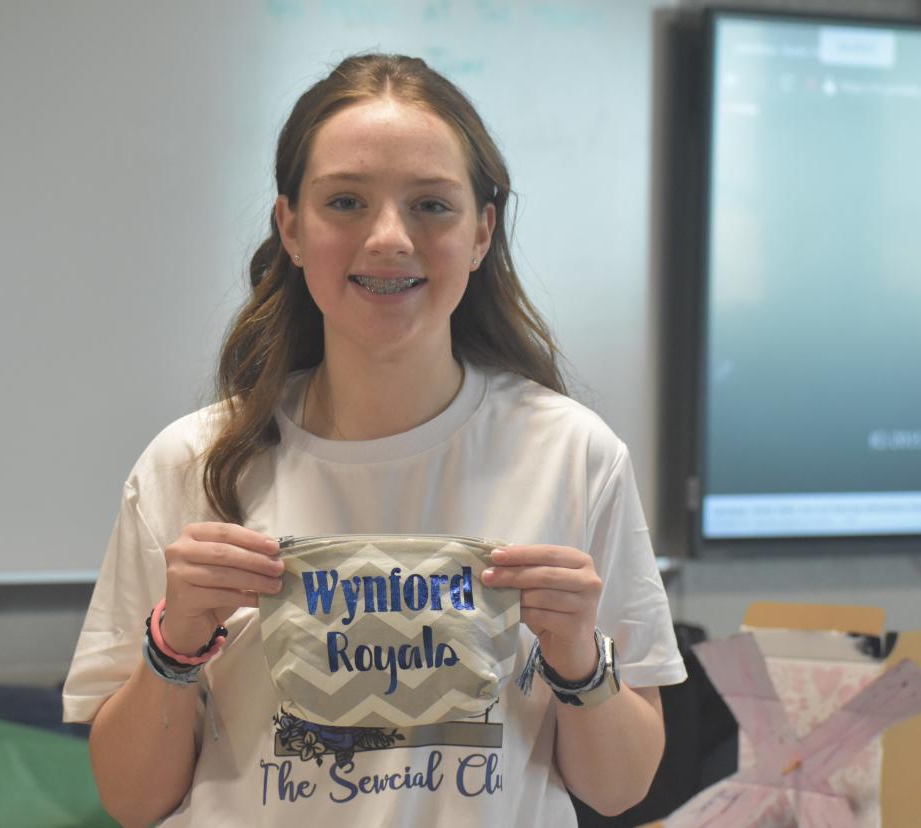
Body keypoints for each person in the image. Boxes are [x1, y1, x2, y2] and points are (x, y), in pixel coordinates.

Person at [63, 53, 686, 827]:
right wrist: (175, 642)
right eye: (346, 201)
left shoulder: (574, 456)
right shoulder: (189, 464)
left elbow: (619, 788)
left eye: (432, 205)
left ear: (483, 231)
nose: (389, 239)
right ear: (290, 227)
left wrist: (579, 661)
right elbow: (130, 801)